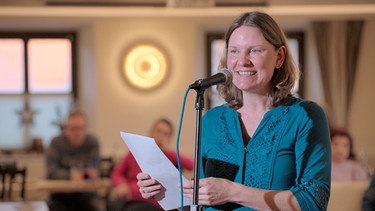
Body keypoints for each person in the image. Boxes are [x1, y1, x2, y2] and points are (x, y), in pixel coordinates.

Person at [136, 11, 331, 211]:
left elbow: (313, 202)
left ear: (279, 57)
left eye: (254, 51)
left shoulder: (305, 116)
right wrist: (166, 193)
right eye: (234, 51)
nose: (242, 61)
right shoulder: (212, 119)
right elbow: (201, 202)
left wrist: (233, 191)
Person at [110, 118, 194, 211]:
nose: (161, 136)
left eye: (165, 134)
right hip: (129, 197)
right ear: (151, 132)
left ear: (169, 138)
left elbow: (191, 165)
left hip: (152, 201)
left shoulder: (169, 156)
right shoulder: (135, 152)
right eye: (158, 131)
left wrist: (167, 151)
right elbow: (117, 173)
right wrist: (121, 184)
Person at [46, 110, 105, 211]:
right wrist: (75, 175)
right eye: (73, 129)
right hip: (60, 196)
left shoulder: (92, 142)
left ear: (86, 128)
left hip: (86, 195)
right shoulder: (56, 142)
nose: (77, 133)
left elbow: (94, 171)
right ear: (65, 129)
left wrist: (76, 174)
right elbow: (52, 172)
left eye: (80, 128)